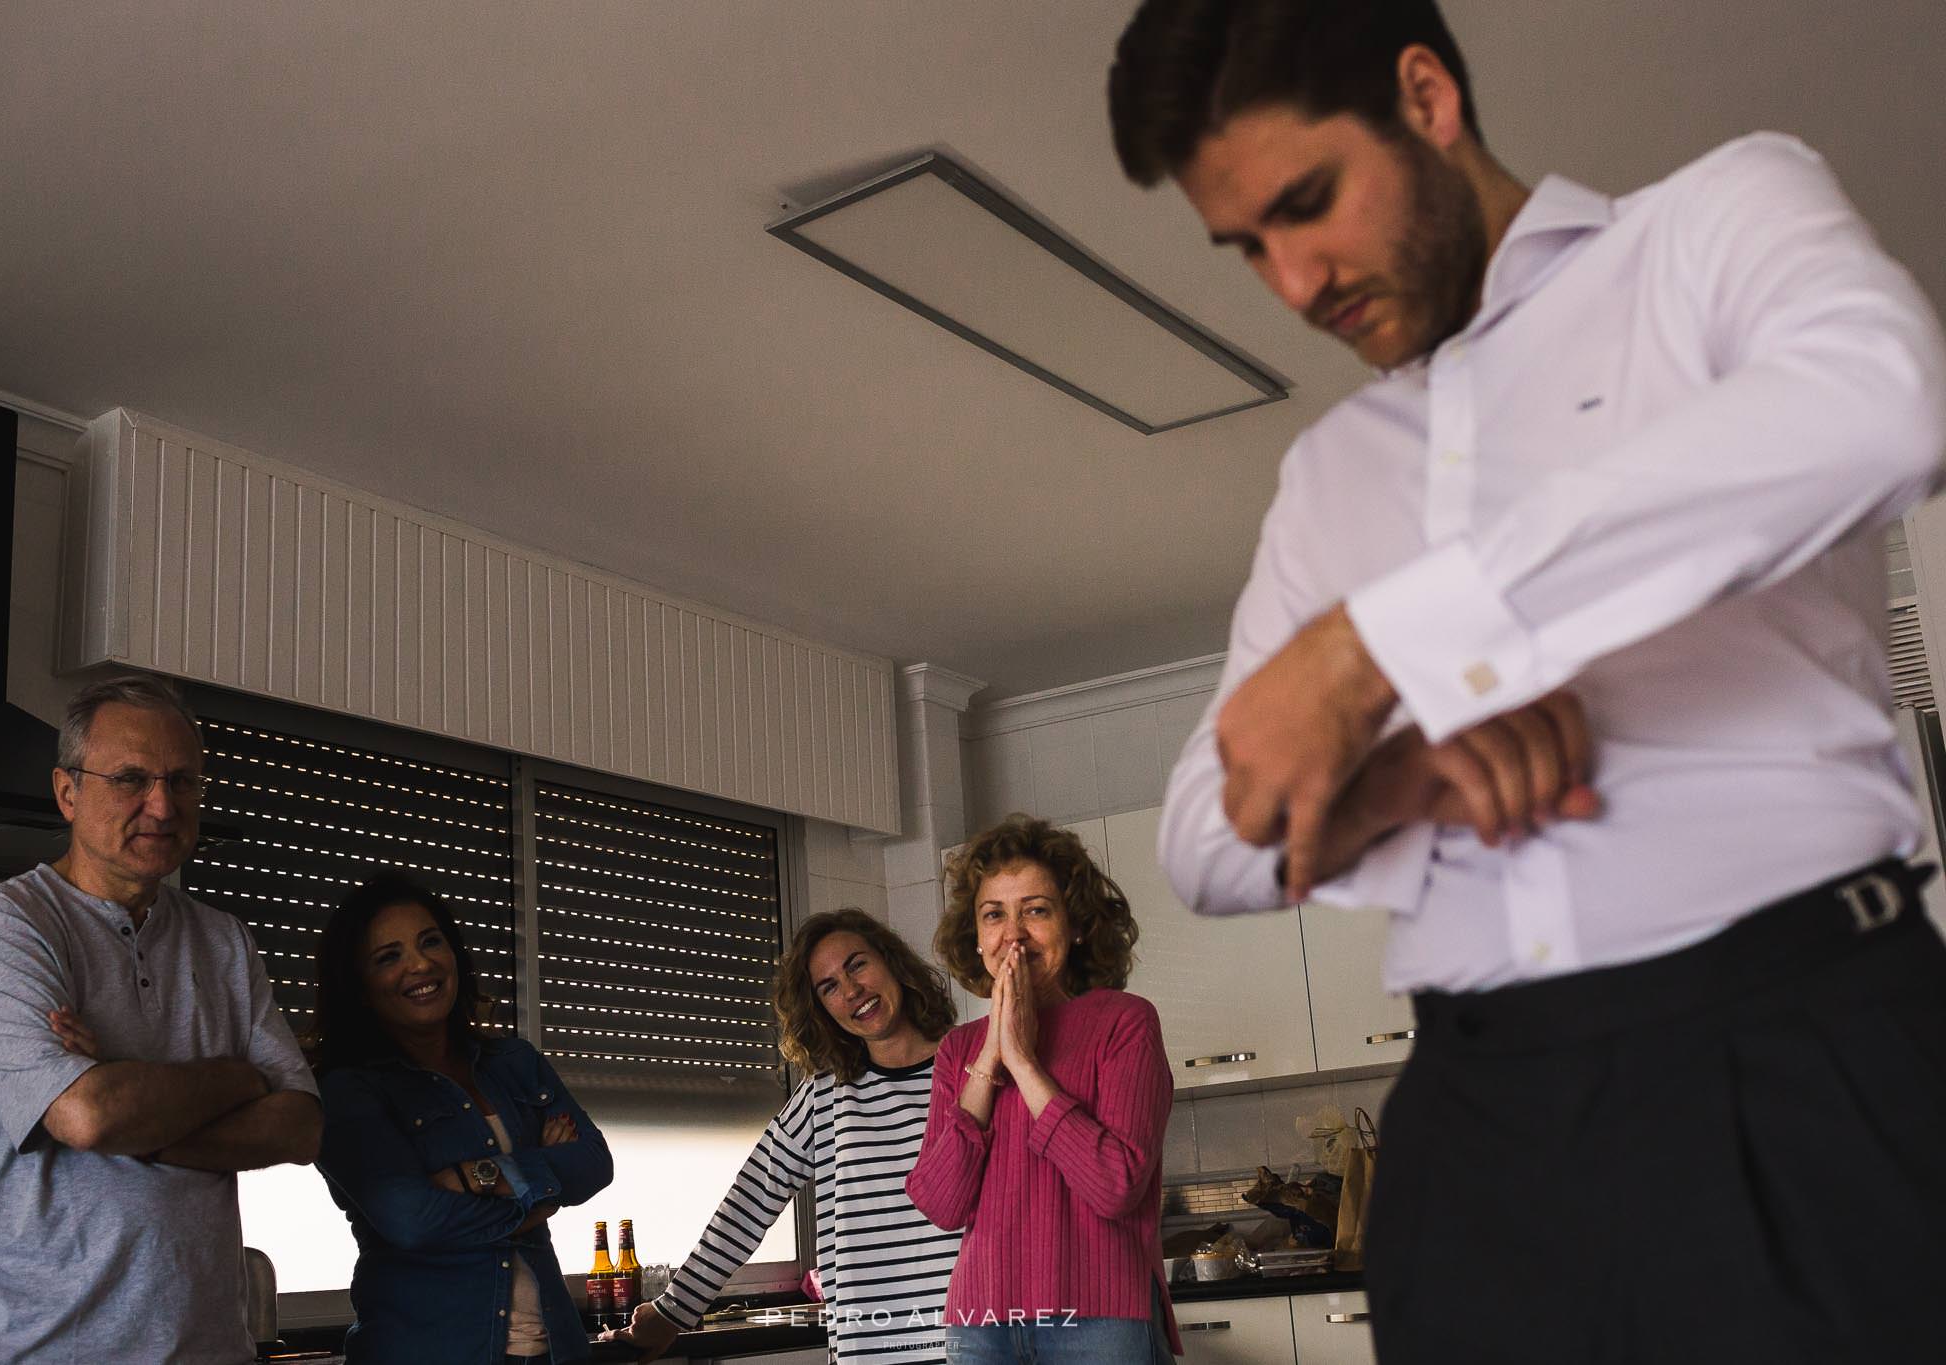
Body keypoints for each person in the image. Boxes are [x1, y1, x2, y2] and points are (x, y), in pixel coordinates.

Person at [1108, 2, 1946, 1361]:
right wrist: (1399, 774)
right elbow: (1208, 834)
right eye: (1247, 246)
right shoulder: (1331, 479)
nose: (1294, 282)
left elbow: (1883, 396)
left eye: (1308, 203)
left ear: (1425, 96)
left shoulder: (1713, 224)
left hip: (1802, 1057)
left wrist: (1381, 645)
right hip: (1478, 1129)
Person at [0, 673, 322, 1364]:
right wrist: (240, 1077)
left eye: (183, 781)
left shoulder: (224, 940)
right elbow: (90, 1118)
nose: (162, 804)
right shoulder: (7, 927)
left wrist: (136, 1109)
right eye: (131, 778)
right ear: (68, 792)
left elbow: (302, 1126)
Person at [606, 907, 963, 1364]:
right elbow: (748, 1204)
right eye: (829, 986)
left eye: (857, 964)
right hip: (868, 1351)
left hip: (979, 1339)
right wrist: (675, 1309)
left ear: (891, 961)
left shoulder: (971, 1066)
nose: (852, 990)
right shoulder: (825, 1096)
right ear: (822, 1009)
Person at [310, 873, 612, 1365]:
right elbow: (413, 1220)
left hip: (554, 1350)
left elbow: (594, 1164)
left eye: (431, 942)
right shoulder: (349, 1091)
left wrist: (475, 1176)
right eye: (389, 957)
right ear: (361, 988)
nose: (420, 963)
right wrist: (539, 1195)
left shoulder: (514, 1062)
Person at [906, 815, 1176, 1364]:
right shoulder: (959, 1050)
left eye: (1036, 910)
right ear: (976, 935)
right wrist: (989, 1056)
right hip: (981, 1327)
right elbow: (940, 1202)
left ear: (1074, 925)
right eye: (993, 915)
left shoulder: (1125, 1023)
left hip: (1100, 1320)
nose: (1013, 935)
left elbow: (1115, 1186)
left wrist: (1024, 1064)